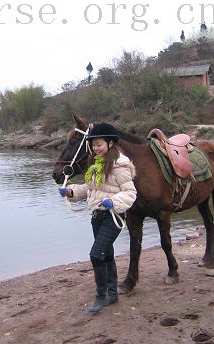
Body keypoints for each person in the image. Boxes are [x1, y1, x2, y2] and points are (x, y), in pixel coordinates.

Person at [59, 123, 137, 313]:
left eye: (99, 144)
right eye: (93, 145)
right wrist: (71, 191)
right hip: (97, 216)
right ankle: (112, 294)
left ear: (110, 143)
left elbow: (130, 193)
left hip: (113, 216)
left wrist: (113, 201)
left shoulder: (120, 166)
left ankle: (100, 296)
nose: (95, 148)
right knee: (107, 254)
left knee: (96, 254)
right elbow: (91, 189)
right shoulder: (96, 165)